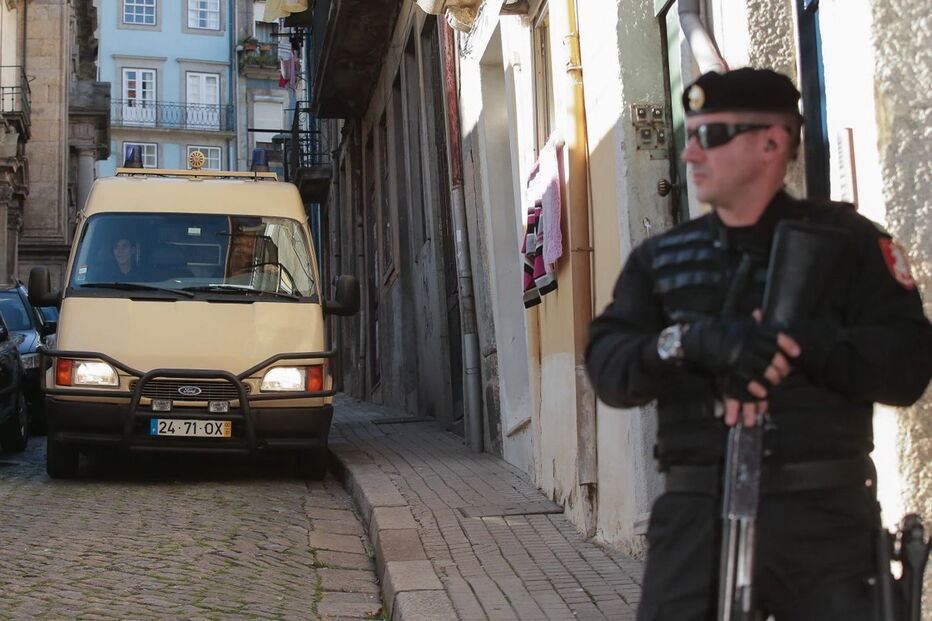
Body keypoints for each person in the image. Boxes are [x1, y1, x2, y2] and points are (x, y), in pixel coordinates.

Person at [585, 67, 932, 620]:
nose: (690, 154)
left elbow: (909, 367)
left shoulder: (852, 247)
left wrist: (803, 344)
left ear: (772, 142)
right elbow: (608, 367)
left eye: (710, 135)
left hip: (824, 519)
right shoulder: (662, 260)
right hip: (700, 512)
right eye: (689, 135)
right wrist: (688, 342)